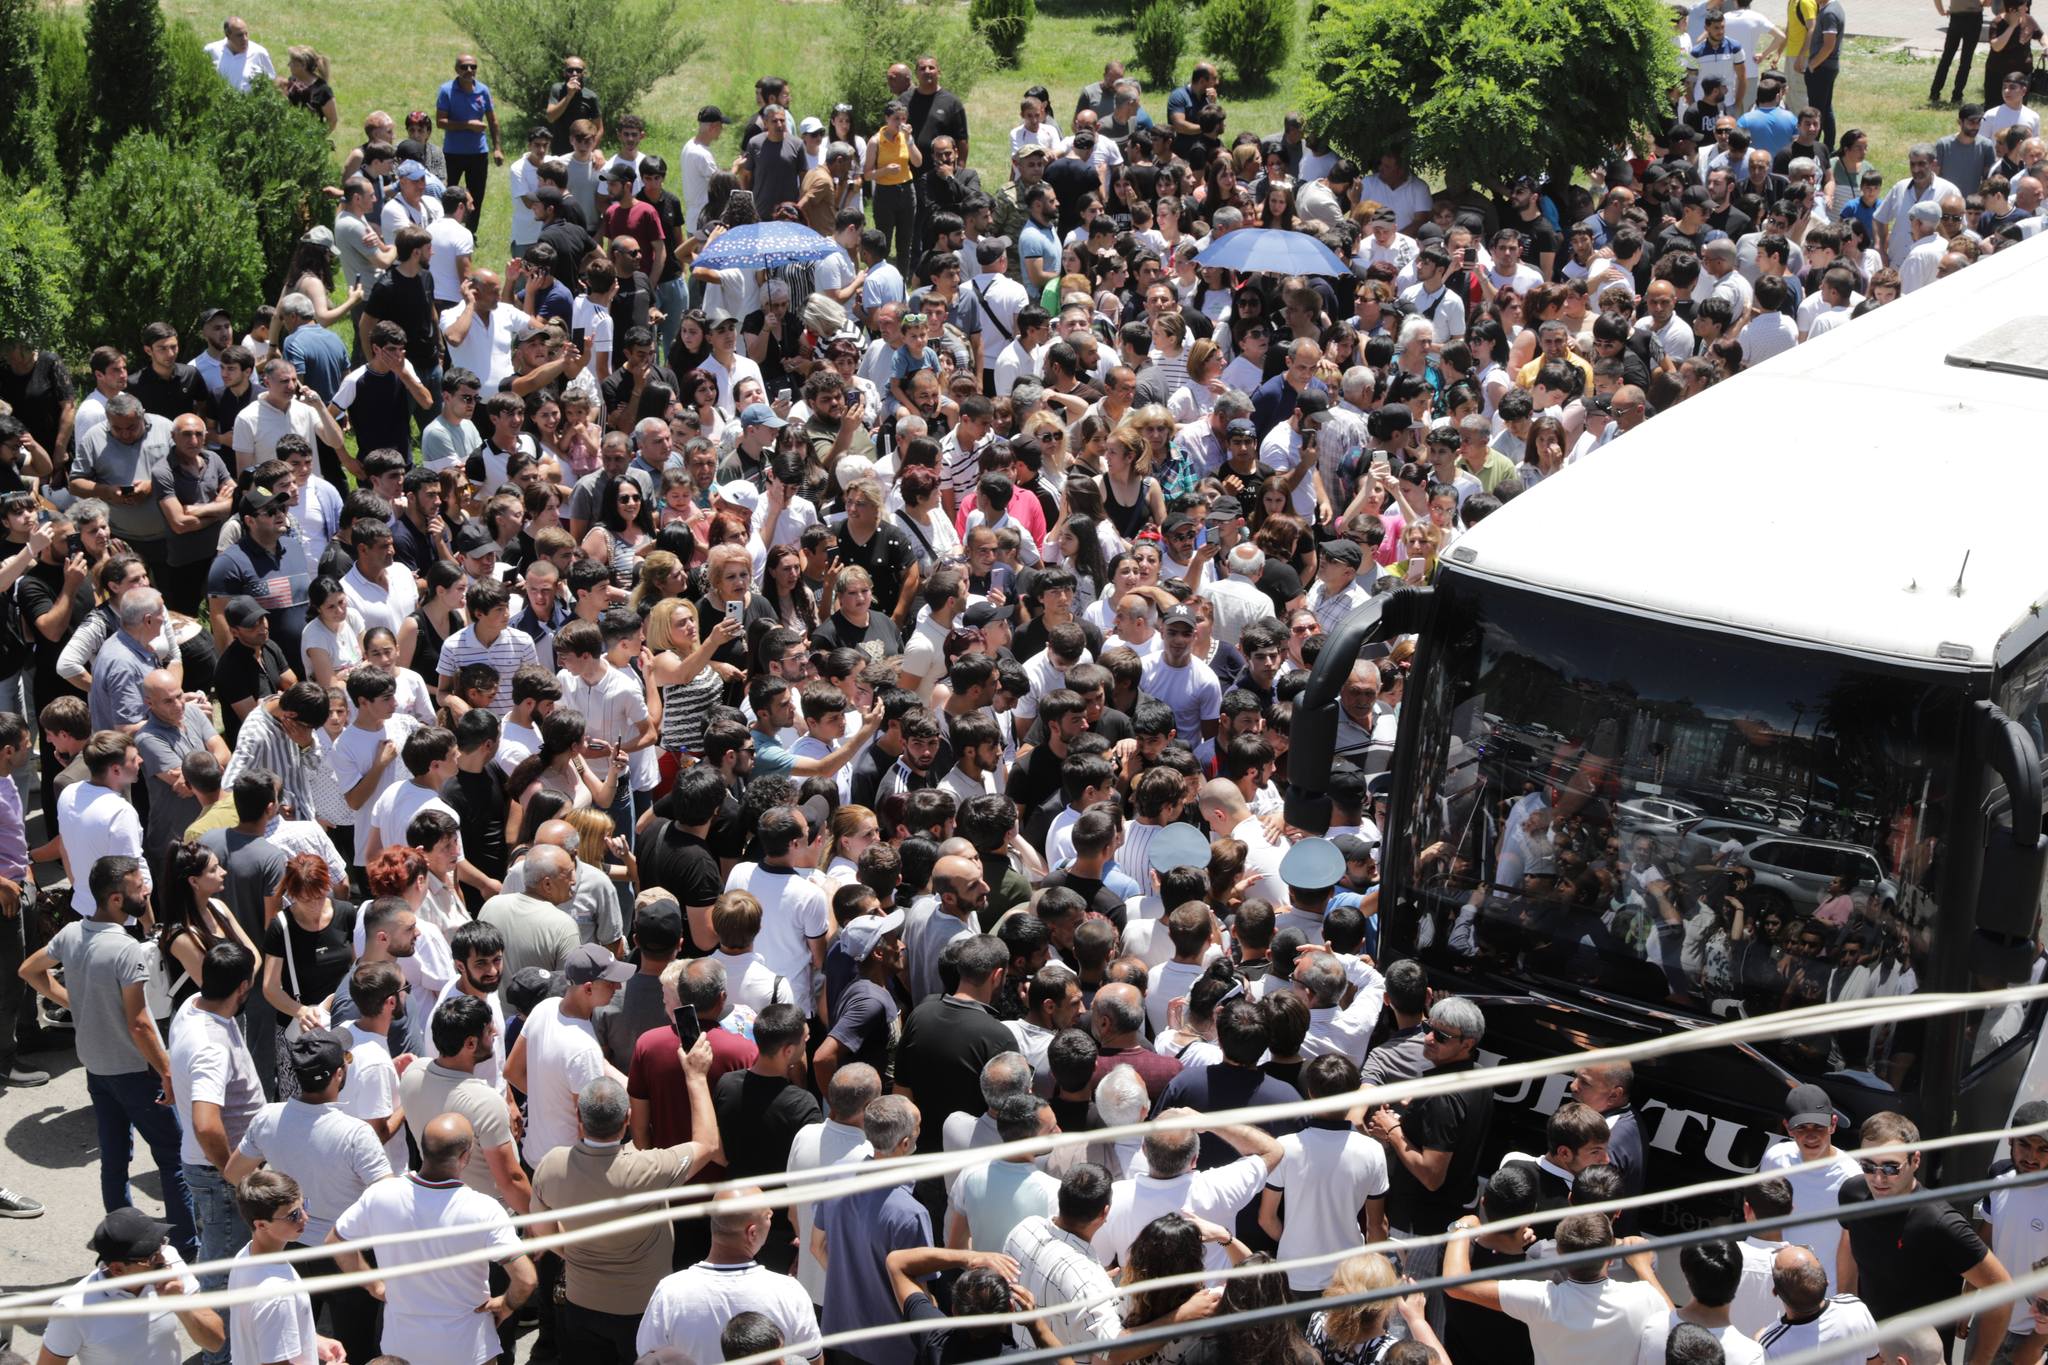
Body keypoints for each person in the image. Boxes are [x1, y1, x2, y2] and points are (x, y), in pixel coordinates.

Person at [19, 856, 194, 1253]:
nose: (145, 892)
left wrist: (75, 1003)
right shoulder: (127, 951)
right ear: (116, 899)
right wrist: (168, 1073)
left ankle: (120, 1245)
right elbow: (141, 1024)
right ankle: (188, 1246)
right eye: (137, 888)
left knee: (114, 1160)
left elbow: (30, 970)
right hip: (136, 1072)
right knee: (172, 1158)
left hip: (97, 1069)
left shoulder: (70, 934)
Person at [329, 1112, 537, 1365]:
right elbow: (525, 1279)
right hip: (468, 1350)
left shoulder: (381, 1195)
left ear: (421, 1147)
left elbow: (336, 1242)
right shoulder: (484, 1209)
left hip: (401, 1348)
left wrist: (374, 1286)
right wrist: (506, 1305)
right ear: (465, 1157)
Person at [1837, 1110, 2012, 1360]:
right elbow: (1848, 1241)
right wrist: (1847, 1309)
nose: (1877, 1178)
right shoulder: (1852, 1193)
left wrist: (1979, 1361)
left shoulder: (1940, 1224)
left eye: (1890, 1167)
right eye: (1868, 1165)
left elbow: (2002, 1291)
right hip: (1869, 1352)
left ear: (1915, 1161)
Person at [636, 1188, 822, 1361]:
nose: (771, 1218)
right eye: (768, 1216)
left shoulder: (669, 1292)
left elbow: (649, 1357)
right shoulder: (789, 1291)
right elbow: (813, 1359)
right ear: (752, 1232)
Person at [38, 1205, 227, 1365]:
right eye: (151, 1257)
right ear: (118, 1269)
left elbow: (215, 1342)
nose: (162, 1258)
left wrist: (182, 1306)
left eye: (160, 1245)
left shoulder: (169, 1261)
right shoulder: (71, 1311)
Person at [225, 1170, 344, 1365]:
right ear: (262, 1225)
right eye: (293, 1215)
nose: (305, 1218)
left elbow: (267, 1333)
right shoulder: (278, 1296)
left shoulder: (245, 1255)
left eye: (304, 1205)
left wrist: (312, 1340)